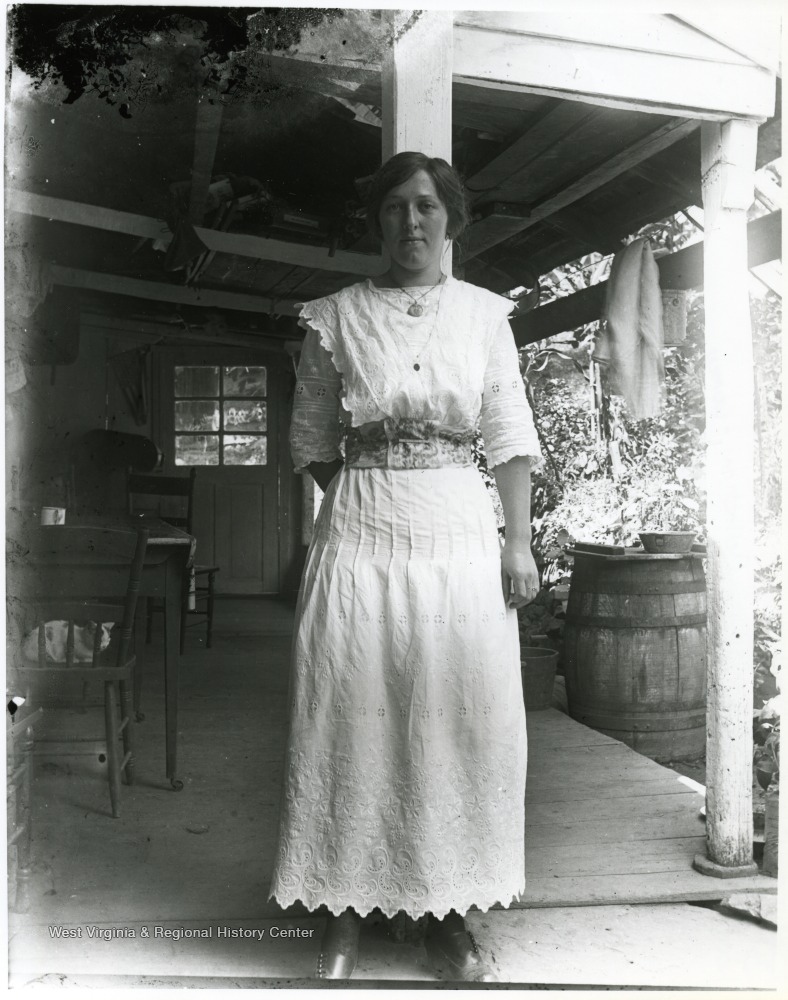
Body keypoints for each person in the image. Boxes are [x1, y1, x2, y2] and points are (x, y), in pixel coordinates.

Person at [268, 151, 542, 982]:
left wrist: (518, 542)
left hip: (459, 535)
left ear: (451, 218)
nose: (411, 222)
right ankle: (344, 907)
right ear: (376, 221)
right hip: (361, 536)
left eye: (426, 206)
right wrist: (373, 486)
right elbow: (313, 439)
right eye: (394, 207)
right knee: (351, 709)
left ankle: (446, 914)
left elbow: (509, 435)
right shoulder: (336, 316)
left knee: (455, 713)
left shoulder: (484, 315)